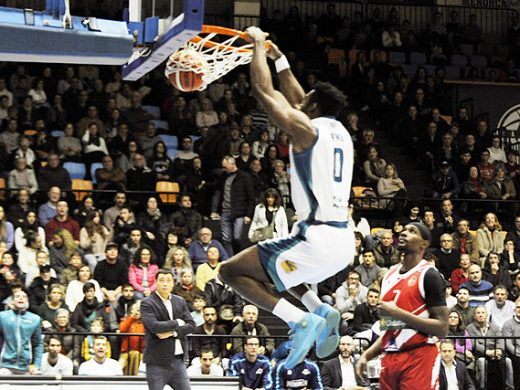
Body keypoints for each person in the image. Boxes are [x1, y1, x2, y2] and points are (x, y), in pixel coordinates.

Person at [219, 28, 355, 369]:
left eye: (306, 99)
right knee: (280, 271)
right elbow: (298, 101)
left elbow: (263, 92)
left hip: (317, 238)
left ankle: (299, 320)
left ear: (312, 105)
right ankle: (319, 308)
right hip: (341, 242)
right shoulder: (340, 133)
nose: (300, 100)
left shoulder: (306, 130)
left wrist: (256, 47)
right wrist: (279, 58)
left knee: (230, 272)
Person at [356, 223, 448, 389]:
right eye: (404, 230)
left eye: (412, 231)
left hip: (419, 355)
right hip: (390, 357)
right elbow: (391, 328)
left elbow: (442, 328)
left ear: (424, 244)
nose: (404, 233)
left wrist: (398, 313)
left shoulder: (429, 275)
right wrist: (367, 355)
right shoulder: (389, 275)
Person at [140, 269, 196, 390]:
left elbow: (191, 324)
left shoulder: (179, 301)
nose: (165, 283)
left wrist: (173, 332)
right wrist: (177, 322)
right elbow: (154, 326)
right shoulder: (147, 303)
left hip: (178, 361)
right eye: (161, 280)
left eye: (168, 280)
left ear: (173, 283)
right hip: (156, 362)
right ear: (155, 282)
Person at [465, 305, 514, 390]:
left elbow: (500, 340)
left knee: (508, 361)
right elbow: (474, 343)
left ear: (487, 315)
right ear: (474, 316)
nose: (480, 315)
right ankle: (482, 388)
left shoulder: (494, 327)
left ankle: (509, 388)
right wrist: (487, 352)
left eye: (483, 313)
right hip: (479, 355)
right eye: (478, 313)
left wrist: (498, 350)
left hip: (496, 353)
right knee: (482, 361)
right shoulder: (470, 328)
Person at [0, 289, 43, 375]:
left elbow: (38, 344)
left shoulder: (35, 319)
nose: (21, 298)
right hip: (5, 365)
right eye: (17, 296)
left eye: (23, 297)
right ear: (12, 301)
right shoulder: (2, 316)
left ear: (27, 301)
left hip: (26, 366)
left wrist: (37, 365)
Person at [502, 301, 520, 389]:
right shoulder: (508, 324)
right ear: (515, 310)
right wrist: (518, 353)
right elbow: (508, 344)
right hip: (515, 354)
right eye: (518, 307)